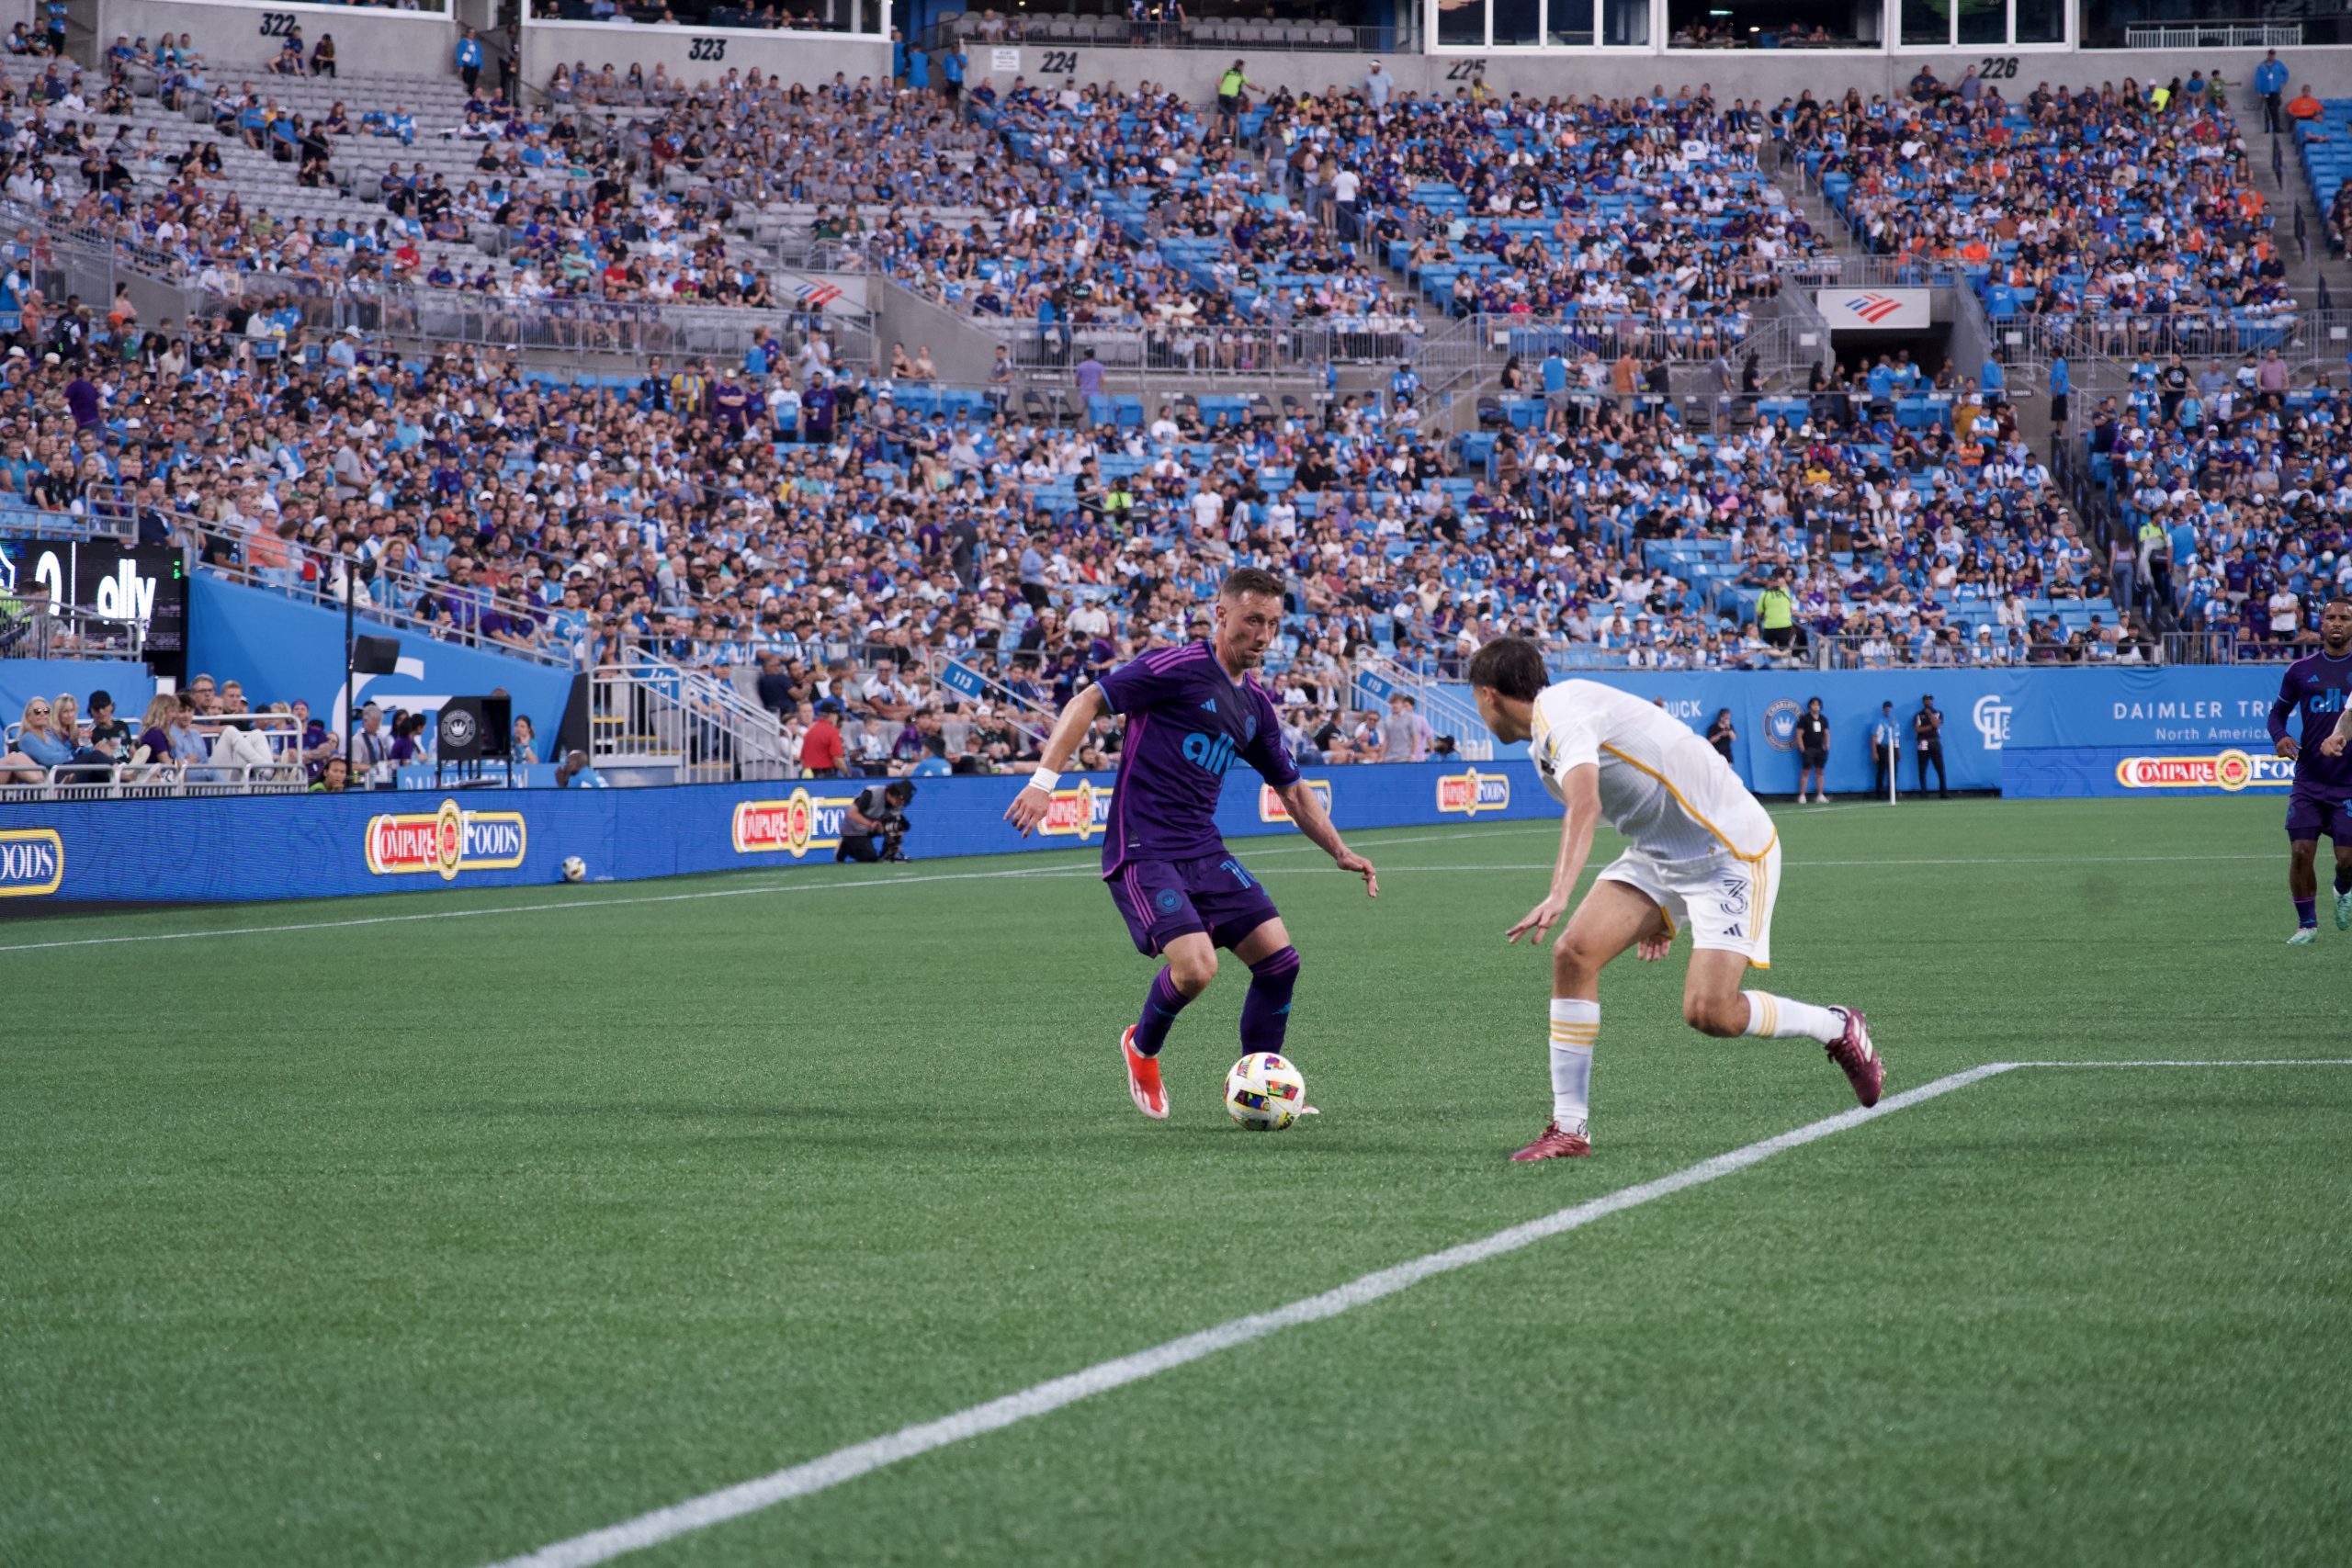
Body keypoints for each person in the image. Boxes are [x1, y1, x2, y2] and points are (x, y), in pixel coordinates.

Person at [1465, 638, 1881, 1162]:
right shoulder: (1552, 726)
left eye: (1476, 700)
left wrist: (1558, 893)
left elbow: (1585, 804)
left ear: (1488, 695)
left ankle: (1836, 1026)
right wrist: (1665, 911)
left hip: (1728, 851)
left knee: (1711, 1012)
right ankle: (1570, 1128)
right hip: (1661, 853)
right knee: (1574, 953)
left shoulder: (1561, 715)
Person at [1004, 567, 1379, 1120]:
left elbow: (1293, 790)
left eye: (1273, 624)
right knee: (1198, 969)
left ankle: (1263, 1085)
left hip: (1203, 849)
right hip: (1143, 848)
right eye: (1253, 620)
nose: (1264, 635)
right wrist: (1043, 783)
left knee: (1280, 962)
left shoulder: (1256, 706)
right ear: (1221, 614)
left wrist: (1340, 851)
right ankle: (1142, 1047)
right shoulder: (1174, 668)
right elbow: (1086, 700)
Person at [2270, 599, 2352, 944]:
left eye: (2344, 618)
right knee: (2301, 851)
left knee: (2347, 861)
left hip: (2348, 782)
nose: (2337, 623)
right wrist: (2280, 735)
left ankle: (2343, 888)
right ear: (2321, 622)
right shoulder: (2300, 671)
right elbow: (2276, 714)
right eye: (2330, 617)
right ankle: (2307, 925)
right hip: (2309, 779)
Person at [837, 780, 916, 862]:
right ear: (892, 794)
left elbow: (898, 825)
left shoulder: (898, 804)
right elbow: (852, 813)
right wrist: (870, 824)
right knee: (869, 858)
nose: (901, 803)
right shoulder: (872, 793)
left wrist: (897, 843)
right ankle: (845, 845)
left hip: (874, 828)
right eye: (900, 799)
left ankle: (885, 856)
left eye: (904, 801)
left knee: (893, 825)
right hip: (853, 829)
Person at [1794, 695, 1830, 803]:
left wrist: (1827, 745)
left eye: (1818, 705)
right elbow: (1799, 734)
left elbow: (1826, 733)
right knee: (1806, 772)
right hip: (1808, 749)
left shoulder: (1823, 719)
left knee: (1820, 771)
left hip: (1820, 750)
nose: (1816, 706)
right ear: (1810, 706)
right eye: (1813, 704)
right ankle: (1802, 795)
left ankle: (1820, 795)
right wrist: (1802, 748)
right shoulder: (1804, 719)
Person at [1912, 694, 1948, 798]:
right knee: (1922, 768)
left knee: (1940, 768)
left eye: (1930, 700)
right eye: (1926, 700)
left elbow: (1936, 725)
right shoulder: (1918, 715)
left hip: (1934, 742)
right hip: (1923, 742)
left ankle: (1943, 792)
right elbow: (1918, 729)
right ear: (1923, 702)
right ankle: (1924, 793)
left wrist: (1930, 715)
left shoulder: (1938, 713)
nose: (1928, 702)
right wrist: (1930, 727)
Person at [1870, 701, 1901, 799]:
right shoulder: (1879, 722)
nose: (1888, 711)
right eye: (1886, 709)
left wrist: (1898, 751)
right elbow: (1874, 737)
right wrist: (1874, 752)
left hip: (1893, 748)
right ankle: (1879, 793)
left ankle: (1891, 792)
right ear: (1883, 710)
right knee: (1881, 770)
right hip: (1883, 748)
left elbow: (1896, 737)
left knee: (1893, 771)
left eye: (1890, 709)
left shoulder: (1895, 722)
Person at [2255, 49, 2289, 133]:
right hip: (2266, 90)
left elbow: (2286, 73)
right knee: (2267, 109)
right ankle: (2268, 127)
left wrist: (2283, 82)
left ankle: (2276, 127)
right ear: (2268, 55)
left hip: (2275, 90)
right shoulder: (2262, 66)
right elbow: (2258, 79)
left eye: (2273, 55)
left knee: (2275, 108)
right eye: (2270, 55)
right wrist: (2258, 90)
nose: (2272, 57)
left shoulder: (2278, 64)